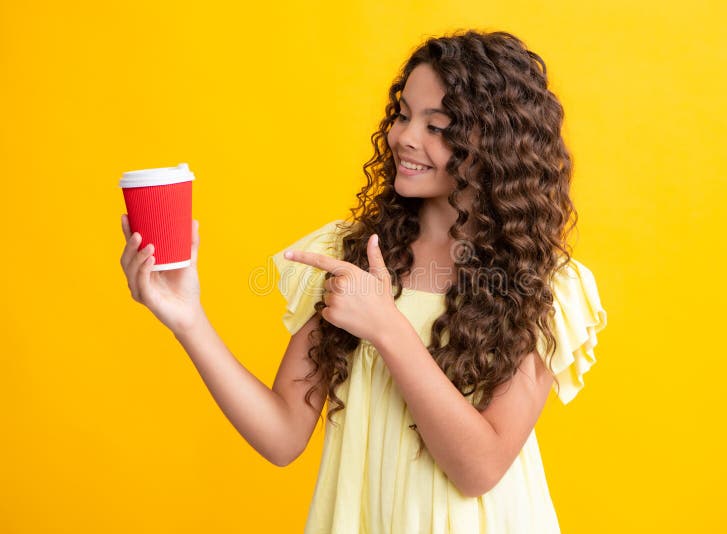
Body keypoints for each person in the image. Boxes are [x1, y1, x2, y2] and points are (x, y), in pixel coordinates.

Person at [119, 29, 607, 534]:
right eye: (403, 114)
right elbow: (283, 435)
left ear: (496, 145)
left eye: (437, 125)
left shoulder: (544, 285)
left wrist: (386, 326)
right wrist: (187, 319)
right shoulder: (348, 256)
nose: (404, 137)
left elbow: (480, 469)